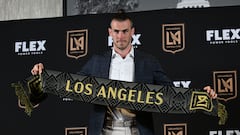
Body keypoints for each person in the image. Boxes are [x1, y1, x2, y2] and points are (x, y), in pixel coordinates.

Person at [31, 11, 217, 135]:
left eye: (125, 31)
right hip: (104, 131)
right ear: (110, 32)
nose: (121, 36)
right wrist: (41, 80)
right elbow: (69, 86)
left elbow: (171, 92)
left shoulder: (148, 62)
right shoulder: (97, 61)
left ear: (132, 32)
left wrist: (201, 96)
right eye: (117, 31)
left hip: (137, 131)